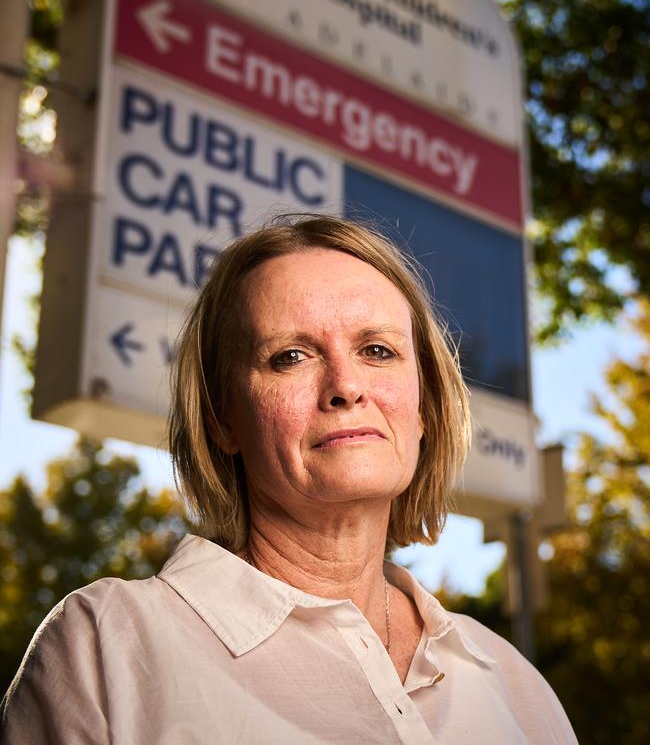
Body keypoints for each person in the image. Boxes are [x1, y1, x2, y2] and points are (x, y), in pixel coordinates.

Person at [1, 215, 577, 744]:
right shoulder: (107, 646)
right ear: (222, 418)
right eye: (290, 357)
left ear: (423, 408)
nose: (346, 386)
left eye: (377, 350)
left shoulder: (512, 681)